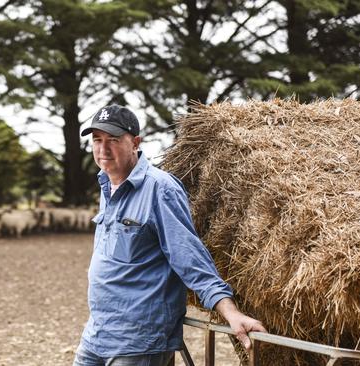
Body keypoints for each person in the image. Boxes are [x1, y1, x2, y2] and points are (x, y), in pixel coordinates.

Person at [74, 104, 266, 366]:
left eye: (114, 140)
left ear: (135, 143)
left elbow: (189, 256)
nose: (103, 149)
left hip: (138, 342)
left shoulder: (160, 189)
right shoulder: (107, 184)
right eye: (97, 140)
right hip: (98, 334)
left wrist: (229, 312)